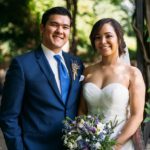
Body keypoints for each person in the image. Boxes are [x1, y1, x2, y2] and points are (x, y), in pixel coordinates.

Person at [0, 7, 84, 150]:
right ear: (42, 28)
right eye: (54, 25)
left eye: (65, 27)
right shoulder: (22, 65)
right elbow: (8, 117)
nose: (60, 31)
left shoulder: (76, 63)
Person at [78, 18, 145, 150]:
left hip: (120, 143)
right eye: (98, 37)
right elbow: (82, 110)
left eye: (108, 36)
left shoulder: (132, 73)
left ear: (119, 38)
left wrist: (113, 145)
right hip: (90, 144)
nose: (103, 42)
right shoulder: (87, 72)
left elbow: (137, 115)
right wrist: (83, 138)